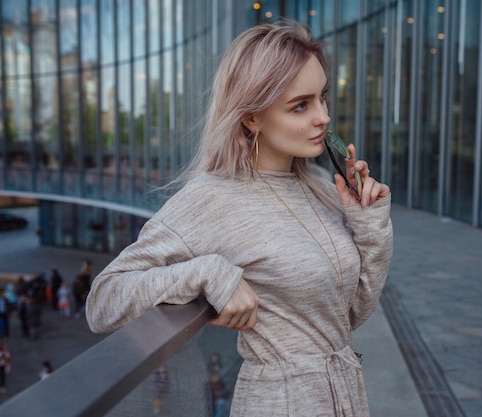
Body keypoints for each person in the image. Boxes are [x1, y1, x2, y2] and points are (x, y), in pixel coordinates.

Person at [86, 20, 393, 417]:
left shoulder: (319, 186)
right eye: (301, 105)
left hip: (346, 398)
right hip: (280, 404)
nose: (322, 117)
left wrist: (369, 223)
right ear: (252, 118)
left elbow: (350, 314)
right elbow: (103, 301)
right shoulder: (212, 197)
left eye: (322, 98)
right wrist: (207, 272)